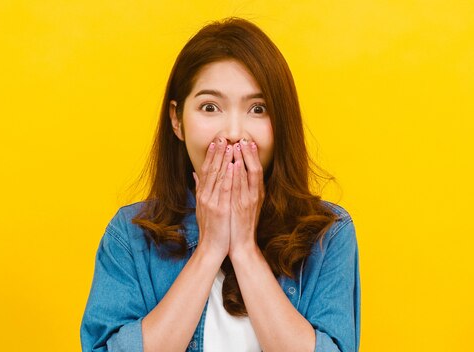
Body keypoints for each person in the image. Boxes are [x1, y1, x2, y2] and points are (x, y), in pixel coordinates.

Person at [80, 17, 360, 352]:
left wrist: (244, 249)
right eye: (210, 107)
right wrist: (209, 248)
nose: (232, 132)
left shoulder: (329, 236)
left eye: (258, 109)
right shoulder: (129, 235)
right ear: (177, 119)